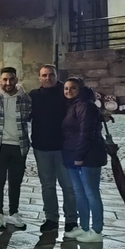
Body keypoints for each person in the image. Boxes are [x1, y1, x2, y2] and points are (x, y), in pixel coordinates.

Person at [29, 65, 78, 235]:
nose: (47, 78)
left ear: (57, 75)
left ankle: (72, 219)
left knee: (68, 186)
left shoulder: (65, 93)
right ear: (39, 78)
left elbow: (81, 103)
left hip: (64, 148)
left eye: (51, 75)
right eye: (44, 75)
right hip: (41, 147)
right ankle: (51, 218)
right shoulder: (34, 95)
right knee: (47, 185)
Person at [0, 67, 32, 230]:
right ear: (0, 80)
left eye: (11, 79)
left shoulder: (25, 99)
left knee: (15, 182)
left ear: (16, 79)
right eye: (5, 79)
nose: (8, 83)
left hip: (19, 146)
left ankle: (14, 213)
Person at [61, 78, 107, 243]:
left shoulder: (85, 105)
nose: (68, 91)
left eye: (72, 88)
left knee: (91, 193)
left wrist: (79, 156)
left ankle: (96, 230)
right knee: (80, 193)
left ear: (80, 89)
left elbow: (86, 132)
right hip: (73, 156)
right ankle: (85, 227)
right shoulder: (73, 104)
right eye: (66, 88)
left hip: (87, 157)